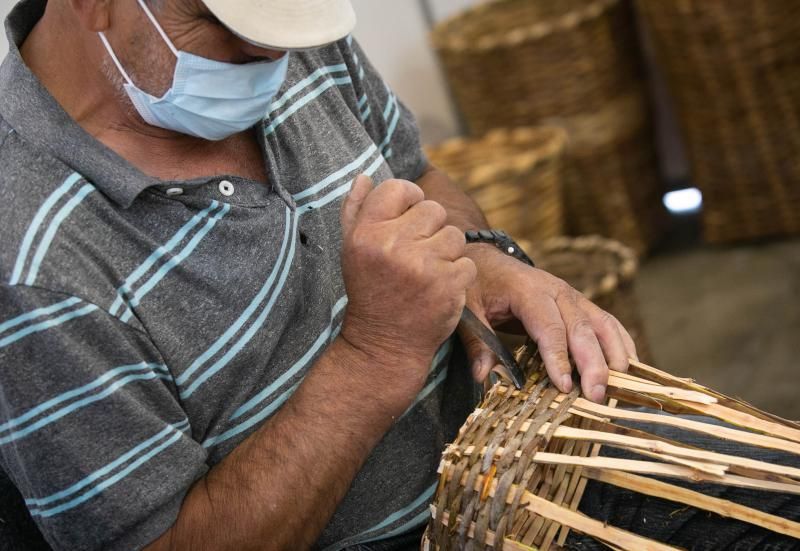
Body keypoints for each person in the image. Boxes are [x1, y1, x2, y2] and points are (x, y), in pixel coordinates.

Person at [3, 0, 752, 549]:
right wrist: (374, 355)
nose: (270, 61)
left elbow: (420, 174)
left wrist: (479, 257)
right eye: (229, 33)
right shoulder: (32, 269)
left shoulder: (286, 36)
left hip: (523, 476)